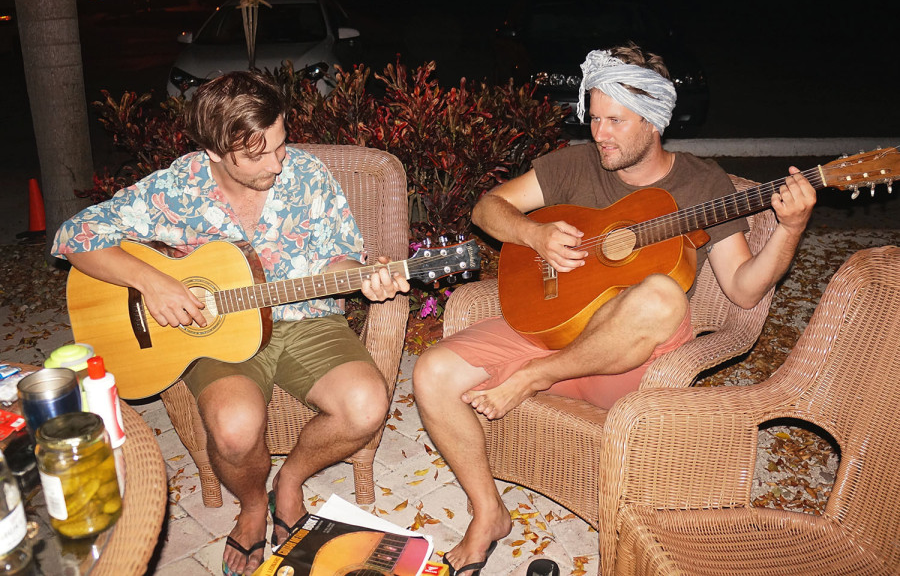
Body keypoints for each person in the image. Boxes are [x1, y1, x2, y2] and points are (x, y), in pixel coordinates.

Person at [413, 43, 817, 574]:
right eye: (594, 116)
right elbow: (488, 208)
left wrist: (789, 230)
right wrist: (533, 235)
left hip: (625, 364)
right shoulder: (575, 164)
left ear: (654, 122)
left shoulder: (702, 184)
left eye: (615, 121)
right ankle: (489, 513)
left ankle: (535, 378)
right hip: (553, 332)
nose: (599, 133)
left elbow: (743, 290)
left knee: (661, 293)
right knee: (431, 371)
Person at [52, 71, 410, 576]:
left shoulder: (307, 176)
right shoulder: (178, 187)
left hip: (305, 319)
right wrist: (152, 282)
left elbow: (338, 261)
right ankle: (252, 505)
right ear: (216, 152)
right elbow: (72, 237)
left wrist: (366, 276)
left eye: (281, 146)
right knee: (235, 430)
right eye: (258, 156)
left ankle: (289, 483)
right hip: (217, 332)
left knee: (366, 405)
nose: (277, 162)